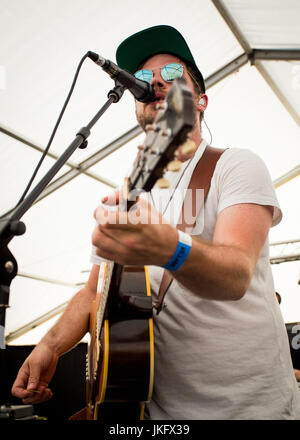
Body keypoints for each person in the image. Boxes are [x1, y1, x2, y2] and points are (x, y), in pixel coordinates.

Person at [11, 25, 300, 420]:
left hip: (247, 410)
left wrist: (170, 248)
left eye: (173, 77)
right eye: (144, 79)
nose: (156, 85)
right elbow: (93, 291)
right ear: (136, 103)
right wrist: (49, 346)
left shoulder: (235, 165)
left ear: (200, 101)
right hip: (153, 411)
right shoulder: (129, 194)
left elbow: (236, 274)